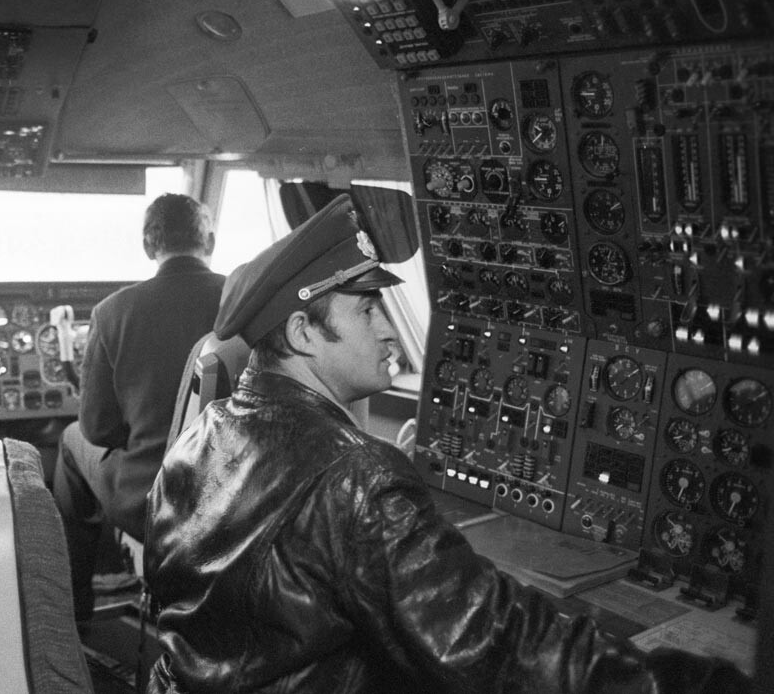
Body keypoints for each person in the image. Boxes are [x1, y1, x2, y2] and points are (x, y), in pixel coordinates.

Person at [144, 194, 751, 694]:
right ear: (304, 332)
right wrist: (695, 684)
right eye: (367, 309)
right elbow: (495, 645)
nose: (389, 330)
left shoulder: (200, 437)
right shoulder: (352, 479)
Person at [53, 193, 225, 622]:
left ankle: (75, 613)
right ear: (210, 242)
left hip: (151, 500)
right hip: (232, 494)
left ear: (150, 246)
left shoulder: (113, 312)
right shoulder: (242, 301)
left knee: (71, 441)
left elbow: (97, 429)